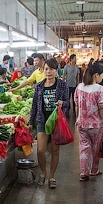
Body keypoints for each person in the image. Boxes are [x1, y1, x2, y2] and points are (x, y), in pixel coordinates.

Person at [29, 58, 69, 189]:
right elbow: (35, 104)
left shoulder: (62, 85)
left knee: (55, 150)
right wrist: (31, 121)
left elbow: (68, 102)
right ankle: (43, 172)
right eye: (46, 69)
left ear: (56, 71)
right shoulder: (39, 86)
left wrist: (63, 103)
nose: (48, 71)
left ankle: (52, 176)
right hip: (42, 120)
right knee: (40, 150)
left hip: (57, 122)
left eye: (51, 69)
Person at [74, 61, 103, 181]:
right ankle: (94, 170)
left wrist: (78, 118)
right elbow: (102, 109)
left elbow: (77, 105)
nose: (102, 77)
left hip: (82, 124)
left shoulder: (79, 87)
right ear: (96, 75)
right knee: (96, 148)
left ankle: (83, 172)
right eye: (102, 75)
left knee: (84, 147)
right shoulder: (100, 89)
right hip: (96, 125)